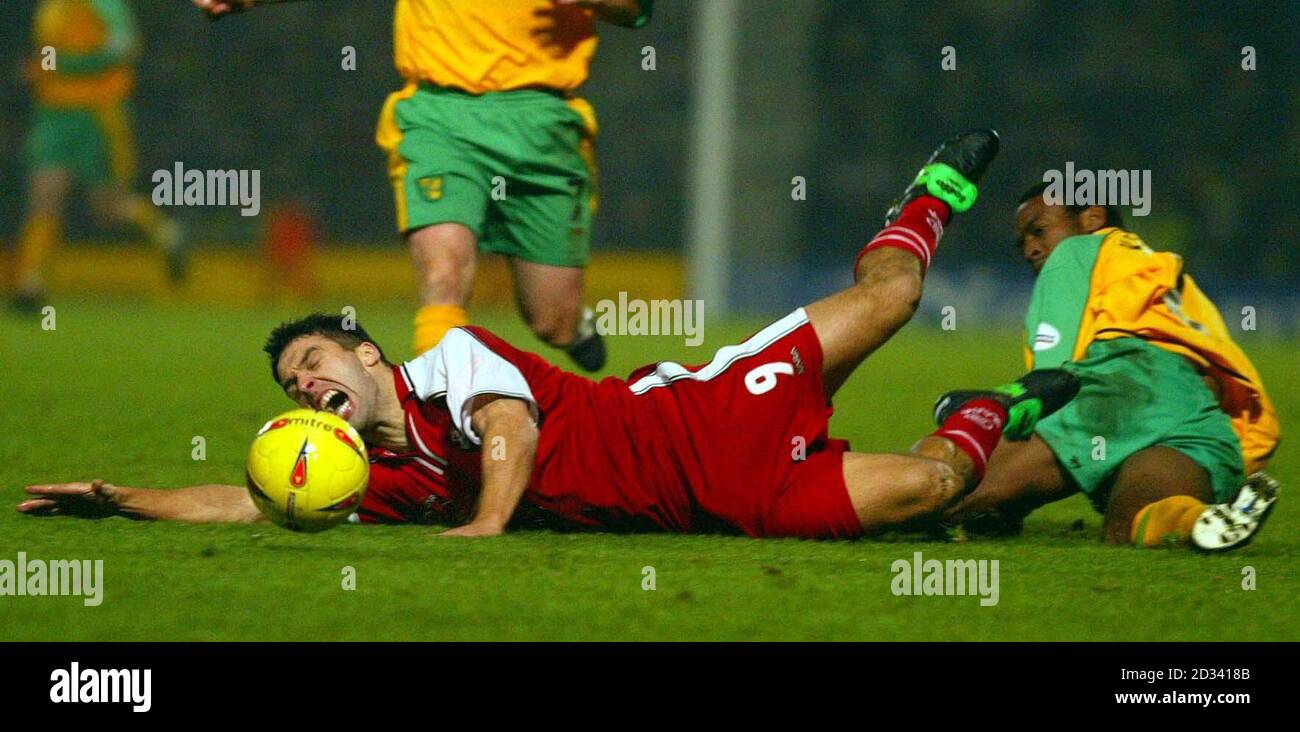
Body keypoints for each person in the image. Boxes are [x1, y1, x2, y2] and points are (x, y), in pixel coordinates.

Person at [19, 130, 1086, 540]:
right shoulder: (368, 478)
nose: (304, 388)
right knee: (932, 490)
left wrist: (486, 529)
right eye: (294, 385)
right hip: (727, 503)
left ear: (368, 356)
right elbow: (241, 502)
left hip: (707, 411)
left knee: (893, 300)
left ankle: (932, 194)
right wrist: (123, 499)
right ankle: (982, 410)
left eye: (312, 361)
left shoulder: (448, 364)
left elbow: (512, 432)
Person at [195, 0, 655, 368]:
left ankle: (574, 327)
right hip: (440, 113)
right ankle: (435, 425)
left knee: (550, 321)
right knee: (443, 274)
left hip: (545, 122)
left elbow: (637, 9)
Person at [942, 182, 1281, 551]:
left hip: (1122, 387)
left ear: (1092, 217)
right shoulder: (1161, 272)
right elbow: (1222, 376)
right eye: (1021, 242)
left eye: (1038, 231)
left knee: (945, 491)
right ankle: (1198, 521)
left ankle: (876, 501)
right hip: (1200, 419)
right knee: (1133, 520)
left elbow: (1053, 381)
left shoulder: (1077, 250)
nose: (1029, 249)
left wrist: (995, 410)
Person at [11, 0, 186, 312]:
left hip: (99, 113)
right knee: (44, 195)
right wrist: (40, 69)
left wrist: (66, 64)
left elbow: (123, 48)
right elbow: (48, 55)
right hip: (53, 114)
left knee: (107, 208)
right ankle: (31, 283)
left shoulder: (106, 4)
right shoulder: (50, 9)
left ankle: (165, 232)